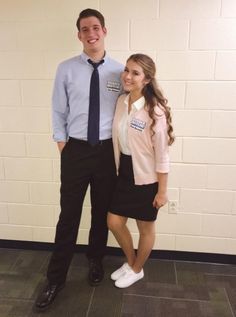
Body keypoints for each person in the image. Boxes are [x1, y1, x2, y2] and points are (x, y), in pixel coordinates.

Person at [34, 8, 123, 311]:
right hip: (76, 150)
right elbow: (58, 108)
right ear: (79, 35)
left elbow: (129, 109)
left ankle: (95, 260)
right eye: (85, 29)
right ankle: (55, 278)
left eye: (95, 27)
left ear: (104, 31)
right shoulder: (66, 69)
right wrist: (62, 143)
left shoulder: (120, 70)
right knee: (69, 214)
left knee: (101, 212)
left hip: (107, 152)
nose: (91, 33)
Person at [107, 53, 174, 288]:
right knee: (114, 222)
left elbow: (162, 154)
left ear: (146, 79)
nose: (127, 76)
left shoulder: (155, 110)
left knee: (145, 228)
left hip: (146, 178)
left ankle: (136, 269)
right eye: (127, 70)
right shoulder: (121, 102)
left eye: (135, 73)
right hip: (124, 172)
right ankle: (133, 263)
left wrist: (162, 191)